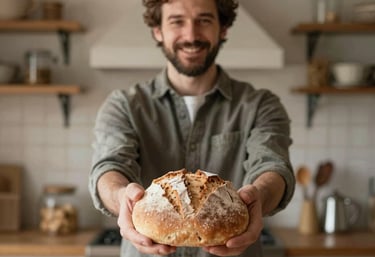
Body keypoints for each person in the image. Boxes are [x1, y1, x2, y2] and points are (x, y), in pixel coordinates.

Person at [89, 0, 295, 256]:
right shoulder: (124, 105)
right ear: (158, 31)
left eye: (204, 20)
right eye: (177, 21)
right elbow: (109, 167)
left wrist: (259, 196)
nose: (191, 35)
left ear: (223, 29)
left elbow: (273, 166)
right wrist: (122, 197)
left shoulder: (260, 105)